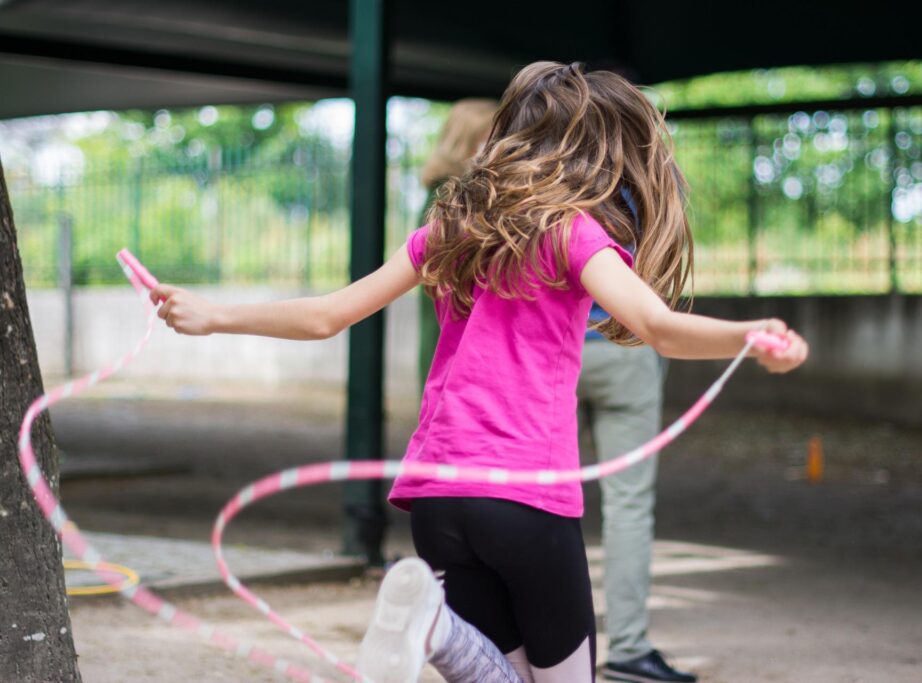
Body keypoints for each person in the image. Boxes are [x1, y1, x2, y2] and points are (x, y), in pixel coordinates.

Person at [150, 61, 809, 683]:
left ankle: (435, 627)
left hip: (437, 500)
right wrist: (750, 336)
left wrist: (214, 314)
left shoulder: (451, 227)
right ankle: (433, 625)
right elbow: (658, 326)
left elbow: (328, 315)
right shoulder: (576, 233)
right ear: (601, 152)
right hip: (525, 498)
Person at [578, 188, 697, 682]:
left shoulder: (543, 171)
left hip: (547, 344)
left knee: (531, 497)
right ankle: (628, 648)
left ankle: (527, 646)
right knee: (628, 504)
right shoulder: (644, 179)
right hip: (626, 344)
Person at [417, 99, 499, 388]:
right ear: (469, 142)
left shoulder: (442, 191)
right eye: (492, 138)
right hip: (456, 333)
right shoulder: (453, 195)